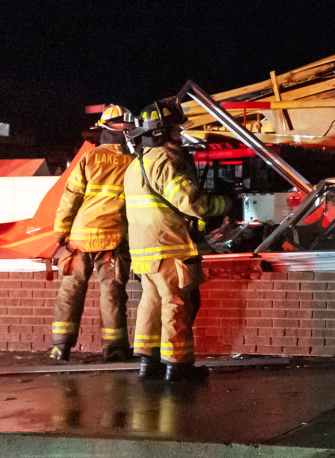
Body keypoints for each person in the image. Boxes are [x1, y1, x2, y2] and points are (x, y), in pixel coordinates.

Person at [125, 101, 232, 382]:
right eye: (175, 128)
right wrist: (225, 203)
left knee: (151, 303)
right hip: (169, 246)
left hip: (144, 250)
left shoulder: (136, 164)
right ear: (162, 132)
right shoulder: (166, 161)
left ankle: (149, 364)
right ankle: (178, 366)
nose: (179, 133)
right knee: (176, 305)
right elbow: (190, 202)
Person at [49, 104, 136, 363]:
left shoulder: (88, 158)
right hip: (112, 240)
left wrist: (60, 234)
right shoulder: (133, 163)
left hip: (80, 238)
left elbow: (70, 198)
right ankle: (115, 348)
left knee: (70, 291)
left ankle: (60, 347)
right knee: (112, 293)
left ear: (103, 129)